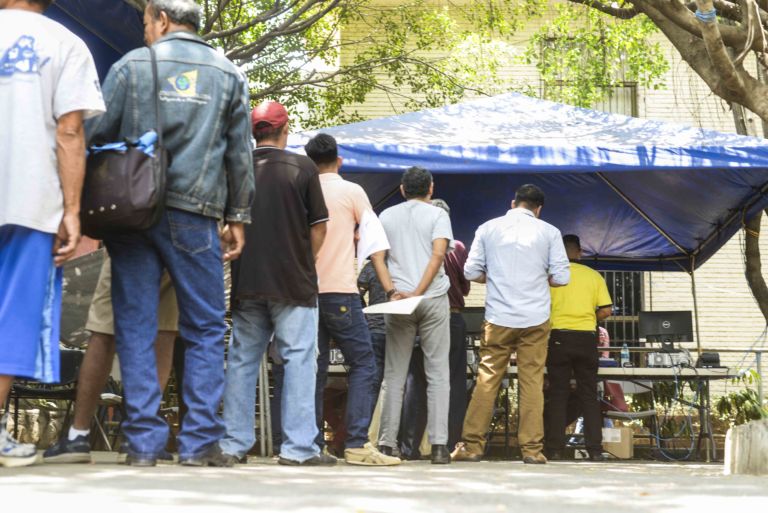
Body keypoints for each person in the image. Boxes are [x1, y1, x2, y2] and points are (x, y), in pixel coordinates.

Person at [86, 0, 254, 467]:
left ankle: (142, 443)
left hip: (132, 213)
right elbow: (240, 153)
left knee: (135, 325)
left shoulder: (130, 67)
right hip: (195, 213)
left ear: (161, 19)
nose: (144, 33)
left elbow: (96, 136)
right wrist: (237, 215)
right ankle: (199, 442)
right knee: (203, 327)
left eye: (145, 23)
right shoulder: (228, 74)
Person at [0, 0, 105, 468]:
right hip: (29, 200)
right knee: (13, 317)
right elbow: (70, 132)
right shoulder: (67, 45)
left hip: (30, 202)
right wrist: (72, 210)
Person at [220, 102, 335, 467]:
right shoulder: (302, 167)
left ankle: (233, 444)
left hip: (247, 280)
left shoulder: (238, 168)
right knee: (299, 359)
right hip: (293, 282)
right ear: (285, 130)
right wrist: (306, 261)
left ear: (254, 133)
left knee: (241, 360)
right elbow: (319, 226)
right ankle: (298, 449)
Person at [452, 184, 570, 464]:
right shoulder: (550, 232)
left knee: (487, 379)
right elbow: (562, 278)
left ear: (513, 202)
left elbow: (470, 272)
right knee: (532, 381)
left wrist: (493, 278)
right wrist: (541, 278)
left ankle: (472, 446)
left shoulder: (487, 228)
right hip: (535, 319)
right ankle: (531, 450)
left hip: (498, 317)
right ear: (538, 209)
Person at [304, 133, 399, 466]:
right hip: (342, 291)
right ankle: (357, 443)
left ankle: (312, 444)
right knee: (363, 363)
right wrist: (388, 287)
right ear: (339, 160)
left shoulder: (302, 189)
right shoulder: (352, 191)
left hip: (305, 294)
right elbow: (375, 242)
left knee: (312, 369)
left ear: (308, 160)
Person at [43, 255, 178, 463]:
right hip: (175, 233)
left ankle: (79, 434)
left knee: (107, 329)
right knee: (162, 329)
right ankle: (141, 438)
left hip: (131, 234)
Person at [371, 166, 454, 465]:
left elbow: (377, 257)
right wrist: (420, 290)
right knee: (437, 372)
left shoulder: (386, 216)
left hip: (398, 302)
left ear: (403, 189)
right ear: (431, 188)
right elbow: (438, 255)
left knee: (394, 374)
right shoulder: (438, 215)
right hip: (432, 298)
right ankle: (440, 446)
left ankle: (386, 444)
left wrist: (392, 290)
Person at [399, 198, 470, 459]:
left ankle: (408, 447)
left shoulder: (413, 247)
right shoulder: (457, 247)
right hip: (449, 317)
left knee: (414, 383)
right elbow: (464, 286)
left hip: (413, 313)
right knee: (449, 381)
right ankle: (446, 445)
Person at [543, 234, 612, 462]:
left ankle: (554, 448)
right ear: (580, 252)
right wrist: (587, 316)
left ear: (559, 254)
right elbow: (606, 310)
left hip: (559, 337)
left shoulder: (551, 278)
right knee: (589, 395)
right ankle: (595, 449)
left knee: (558, 394)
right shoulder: (594, 276)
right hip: (586, 338)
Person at [357, 260, 387, 415]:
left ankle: (368, 429)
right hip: (403, 331)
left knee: (373, 382)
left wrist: (365, 315)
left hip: (375, 328)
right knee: (401, 383)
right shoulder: (407, 263)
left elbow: (356, 294)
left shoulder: (372, 266)